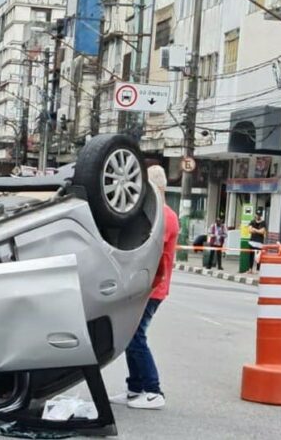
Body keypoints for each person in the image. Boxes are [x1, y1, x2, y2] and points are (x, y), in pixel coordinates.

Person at [110, 165, 180, 410]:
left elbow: (146, 249)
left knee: (136, 337)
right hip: (145, 287)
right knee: (131, 337)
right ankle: (135, 388)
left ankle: (153, 390)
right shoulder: (156, 214)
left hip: (154, 289)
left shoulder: (166, 217)